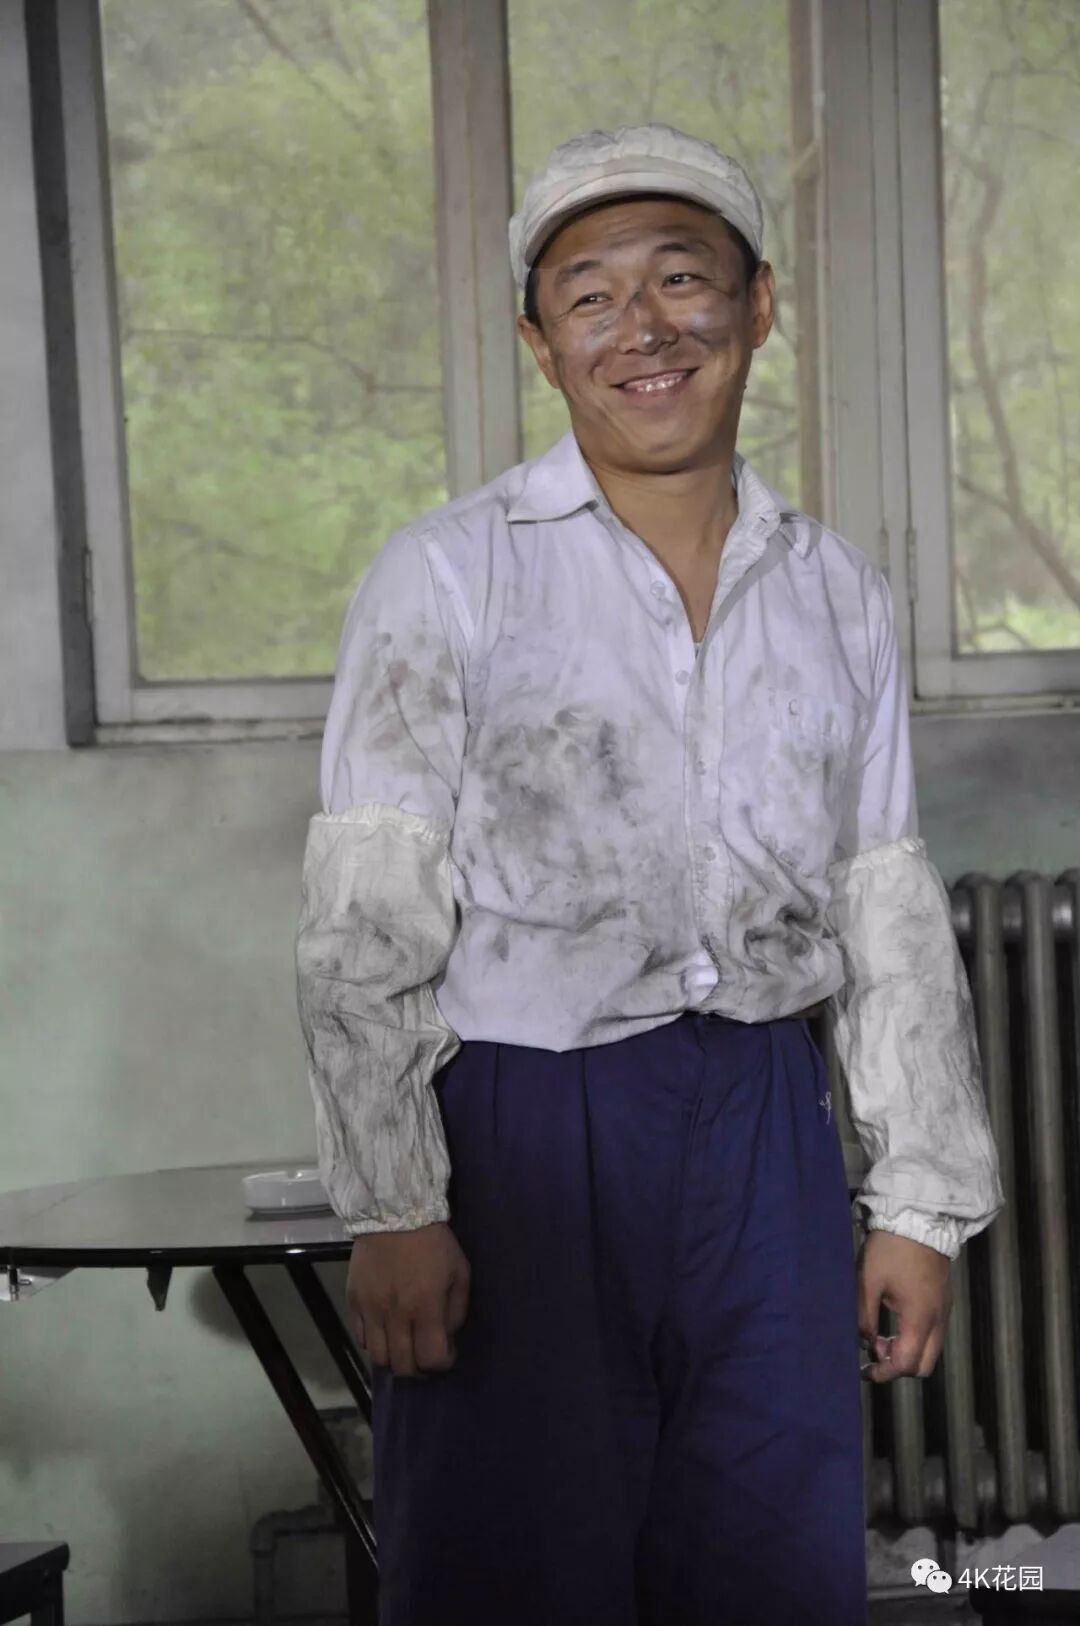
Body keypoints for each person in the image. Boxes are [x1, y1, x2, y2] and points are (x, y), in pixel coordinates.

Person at [296, 123, 1004, 1626]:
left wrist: (920, 1201)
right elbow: (369, 909)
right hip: (522, 1130)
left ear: (758, 306)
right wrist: (393, 1200)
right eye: (592, 296)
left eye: (683, 281)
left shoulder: (837, 591)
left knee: (768, 1547)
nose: (645, 329)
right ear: (540, 345)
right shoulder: (451, 573)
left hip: (765, 1126)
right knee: (512, 1563)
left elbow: (881, 893)